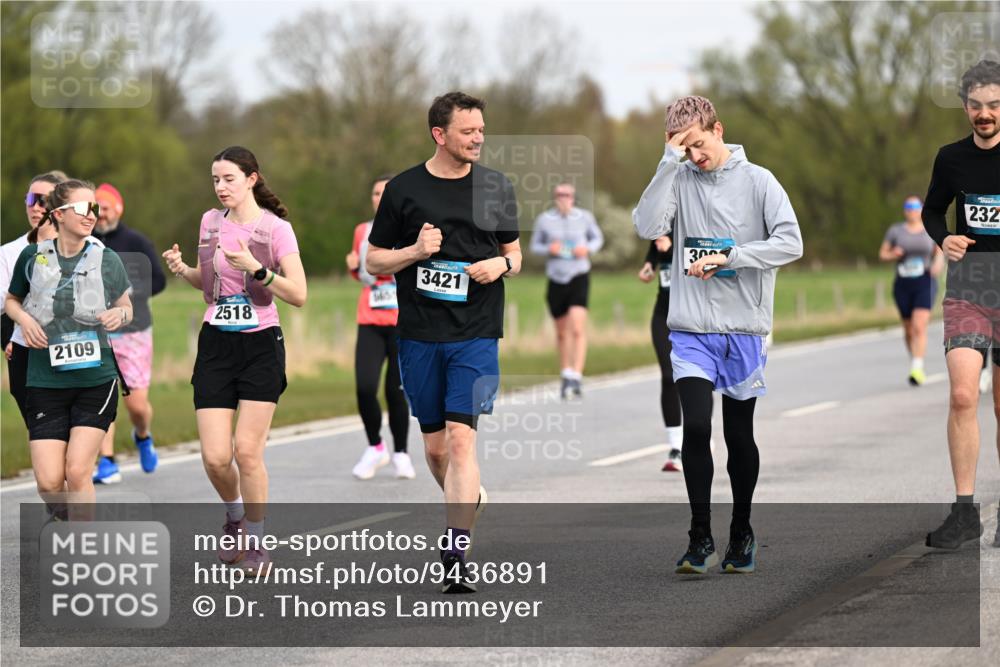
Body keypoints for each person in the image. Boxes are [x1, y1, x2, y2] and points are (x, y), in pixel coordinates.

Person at [634, 95, 803, 574]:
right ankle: (699, 534)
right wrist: (668, 162)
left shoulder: (759, 181)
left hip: (743, 329)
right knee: (698, 427)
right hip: (690, 329)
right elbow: (647, 224)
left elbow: (791, 242)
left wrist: (731, 257)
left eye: (699, 144)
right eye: (684, 149)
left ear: (719, 129)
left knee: (738, 433)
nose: (695, 156)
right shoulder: (678, 178)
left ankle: (742, 531)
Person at [366, 92, 521, 593]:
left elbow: (515, 254)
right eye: (468, 131)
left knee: (461, 440)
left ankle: (455, 549)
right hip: (419, 334)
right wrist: (415, 250)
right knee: (435, 450)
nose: (478, 138)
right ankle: (466, 497)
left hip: (476, 331)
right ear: (440, 134)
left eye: (481, 130)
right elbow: (373, 261)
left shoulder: (496, 187)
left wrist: (500, 265)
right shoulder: (404, 190)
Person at [162, 146, 307, 570]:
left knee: (246, 451)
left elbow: (298, 294)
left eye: (228, 178)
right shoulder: (209, 222)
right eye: (215, 179)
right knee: (214, 457)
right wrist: (183, 269)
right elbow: (209, 287)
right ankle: (234, 517)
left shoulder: (276, 229)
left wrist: (257, 269)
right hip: (216, 344)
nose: (221, 187)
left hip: (261, 343)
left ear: (251, 179)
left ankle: (258, 543)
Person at [4, 180, 133, 521]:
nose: (91, 214)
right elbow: (12, 301)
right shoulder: (32, 257)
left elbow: (126, 306)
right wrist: (24, 322)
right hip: (45, 380)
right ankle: (75, 516)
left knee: (77, 472)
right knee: (48, 483)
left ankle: (82, 549)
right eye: (82, 208)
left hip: (95, 379)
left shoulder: (107, 258)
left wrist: (118, 314)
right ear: (58, 214)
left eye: (93, 208)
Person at [921, 60, 1000, 550]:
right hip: (969, 288)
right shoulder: (951, 158)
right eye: (976, 105)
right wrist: (944, 237)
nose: (984, 113)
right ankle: (965, 512)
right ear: (965, 106)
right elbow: (931, 208)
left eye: (993, 104)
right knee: (963, 396)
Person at [90, 183, 165, 483]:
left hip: (133, 330)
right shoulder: (84, 242)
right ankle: (106, 461)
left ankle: (143, 435)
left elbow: (159, 281)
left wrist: (128, 296)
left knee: (135, 404)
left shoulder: (137, 242)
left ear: (118, 209)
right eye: (96, 208)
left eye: (105, 207)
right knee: (100, 398)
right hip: (95, 332)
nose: (100, 214)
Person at [345, 174, 414, 480]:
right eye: (375, 193)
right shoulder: (362, 231)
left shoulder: (411, 230)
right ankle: (375, 447)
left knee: (396, 392)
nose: (379, 197)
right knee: (364, 387)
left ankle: (401, 453)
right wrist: (352, 268)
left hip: (402, 323)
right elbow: (364, 275)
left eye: (385, 192)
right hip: (370, 320)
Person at [2, 172, 68, 421]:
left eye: (45, 200)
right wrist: (9, 336)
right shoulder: (8, 253)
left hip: (72, 347)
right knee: (43, 434)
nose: (36, 207)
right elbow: (3, 303)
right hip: (26, 351)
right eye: (32, 199)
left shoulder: (86, 245)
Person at [529, 183, 603, 398]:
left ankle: (577, 376)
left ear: (573, 198)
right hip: (556, 278)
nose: (564, 198)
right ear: (555, 198)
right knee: (562, 332)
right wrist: (549, 249)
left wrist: (587, 249)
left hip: (579, 275)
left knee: (578, 328)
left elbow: (597, 238)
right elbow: (535, 246)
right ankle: (566, 373)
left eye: (567, 195)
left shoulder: (585, 218)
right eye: (560, 195)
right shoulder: (544, 220)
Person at [878, 195, 945, 386]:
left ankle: (917, 367)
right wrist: (893, 254)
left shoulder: (929, 229)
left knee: (919, 325)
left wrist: (938, 263)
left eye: (915, 207)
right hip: (903, 282)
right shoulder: (896, 231)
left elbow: (939, 249)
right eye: (908, 207)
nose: (912, 211)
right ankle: (915, 359)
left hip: (924, 279)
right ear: (904, 211)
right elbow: (882, 253)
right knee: (908, 329)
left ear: (921, 209)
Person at [638, 235, 685, 471]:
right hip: (663, 314)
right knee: (669, 376)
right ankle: (676, 447)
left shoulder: (693, 217)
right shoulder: (661, 223)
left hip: (691, 314)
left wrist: (670, 252)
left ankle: (702, 432)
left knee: (698, 377)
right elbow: (655, 249)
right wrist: (650, 264)